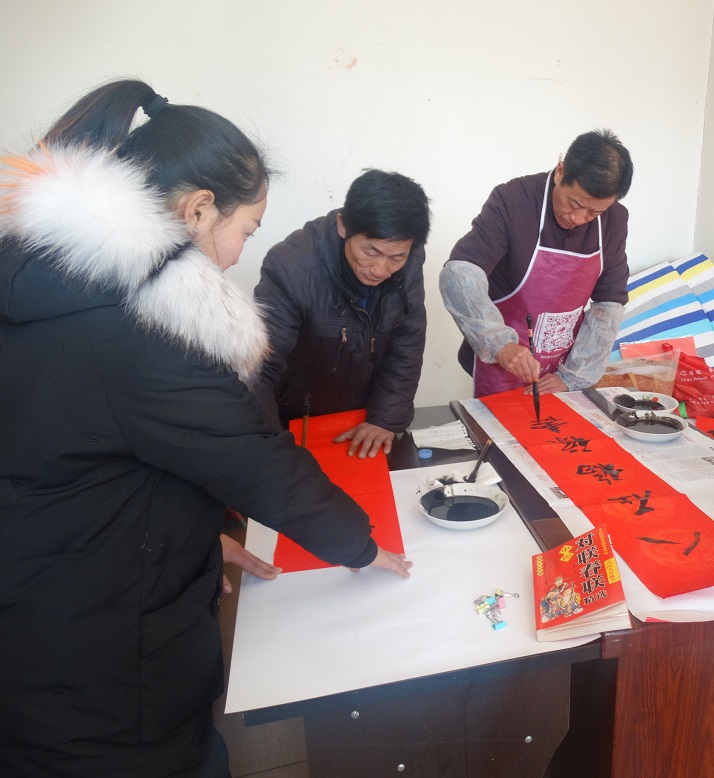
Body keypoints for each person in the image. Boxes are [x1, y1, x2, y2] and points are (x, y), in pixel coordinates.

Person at [0, 79, 411, 777]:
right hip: (95, 674)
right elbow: (256, 461)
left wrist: (194, 534)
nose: (238, 253)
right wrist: (361, 546)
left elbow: (77, 459)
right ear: (197, 209)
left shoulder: (51, 280)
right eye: (245, 229)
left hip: (41, 604)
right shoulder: (141, 327)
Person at [440, 129, 633, 397]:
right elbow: (460, 273)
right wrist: (499, 344)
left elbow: (609, 304)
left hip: (562, 365)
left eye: (594, 212)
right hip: (502, 357)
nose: (578, 218)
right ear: (561, 172)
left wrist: (573, 376)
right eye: (574, 203)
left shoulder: (614, 221)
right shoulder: (513, 200)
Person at [253, 170, 431, 458]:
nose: (380, 270)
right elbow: (260, 368)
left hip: (364, 415)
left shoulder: (409, 261)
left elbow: (407, 342)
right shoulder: (290, 268)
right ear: (343, 226)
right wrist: (270, 448)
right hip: (295, 416)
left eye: (396, 257)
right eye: (371, 252)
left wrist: (385, 418)